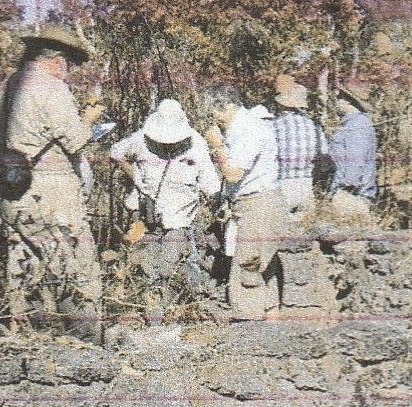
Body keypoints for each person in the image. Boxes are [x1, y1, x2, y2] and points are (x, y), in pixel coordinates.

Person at [0, 24, 105, 342]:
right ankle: (84, 341)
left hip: (12, 186)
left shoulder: (9, 85)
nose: (67, 73)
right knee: (74, 264)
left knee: (24, 263)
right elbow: (76, 140)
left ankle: (29, 337)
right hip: (52, 188)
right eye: (68, 65)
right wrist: (91, 119)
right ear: (57, 60)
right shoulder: (52, 88)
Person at [110, 99, 222, 311]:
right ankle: (147, 308)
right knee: (144, 263)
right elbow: (116, 153)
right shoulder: (140, 140)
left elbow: (211, 185)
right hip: (145, 215)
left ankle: (170, 309)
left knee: (170, 266)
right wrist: (135, 177)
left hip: (179, 218)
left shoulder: (196, 145)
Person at [203, 83, 287, 320]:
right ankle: (272, 323)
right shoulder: (242, 128)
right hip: (253, 203)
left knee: (247, 267)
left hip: (258, 204)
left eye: (215, 113)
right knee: (263, 268)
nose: (215, 119)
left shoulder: (249, 129)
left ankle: (249, 328)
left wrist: (217, 146)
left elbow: (233, 174)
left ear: (228, 106)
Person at [272, 74, 328, 222]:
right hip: (306, 186)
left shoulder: (273, 127)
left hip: (281, 186)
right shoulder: (315, 127)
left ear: (280, 103)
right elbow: (324, 160)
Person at [329, 81, 378, 216]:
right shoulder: (355, 123)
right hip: (352, 195)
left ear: (348, 101)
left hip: (351, 196)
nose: (337, 101)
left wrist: (346, 188)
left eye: (339, 98)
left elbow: (356, 159)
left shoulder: (357, 126)